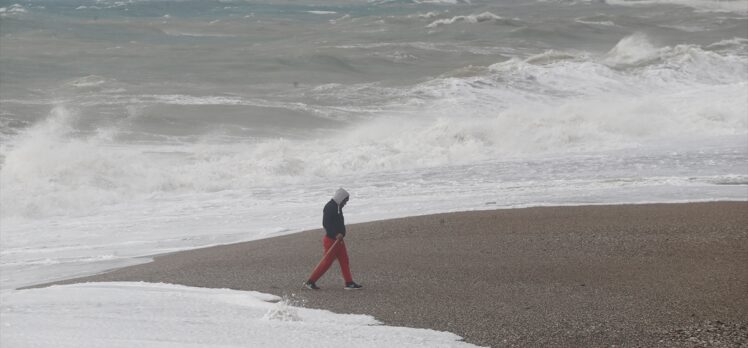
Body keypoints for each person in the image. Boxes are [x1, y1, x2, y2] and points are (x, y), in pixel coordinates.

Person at [303, 188, 363, 290]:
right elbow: (326, 224)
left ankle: (349, 282)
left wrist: (341, 234)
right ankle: (310, 282)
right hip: (331, 240)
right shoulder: (330, 207)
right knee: (326, 263)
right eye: (345, 201)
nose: (345, 203)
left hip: (339, 241)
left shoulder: (338, 207)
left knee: (344, 260)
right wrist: (335, 234)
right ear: (341, 198)